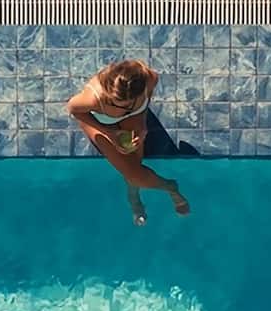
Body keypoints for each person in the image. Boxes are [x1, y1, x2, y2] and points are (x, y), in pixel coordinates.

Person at [66, 60, 191, 226]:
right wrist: (109, 133)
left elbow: (144, 105)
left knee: (134, 168)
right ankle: (169, 187)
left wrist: (142, 126)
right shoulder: (92, 98)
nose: (118, 107)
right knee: (134, 174)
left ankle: (133, 195)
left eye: (126, 105)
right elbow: (73, 110)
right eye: (113, 103)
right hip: (100, 123)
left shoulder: (150, 79)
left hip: (133, 117)